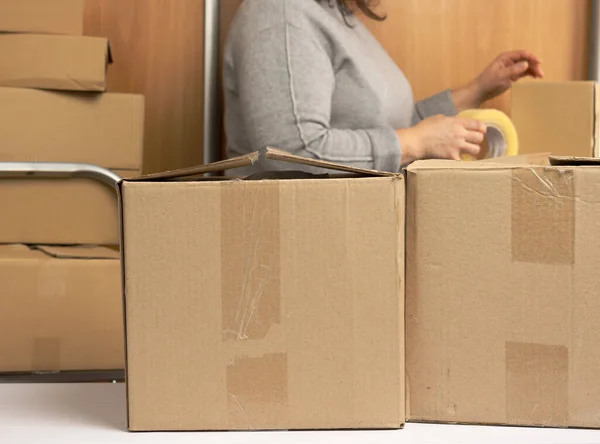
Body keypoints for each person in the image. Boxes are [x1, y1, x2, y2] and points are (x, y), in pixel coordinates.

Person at [223, 0, 543, 174]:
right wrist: (415, 143)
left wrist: (476, 90)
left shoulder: (338, 17)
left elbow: (391, 128)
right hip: (292, 236)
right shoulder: (281, 14)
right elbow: (290, 152)